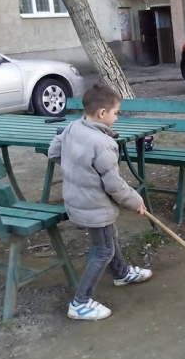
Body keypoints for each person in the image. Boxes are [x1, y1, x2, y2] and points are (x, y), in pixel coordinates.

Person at [48, 84, 152, 321]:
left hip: (76, 199)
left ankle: (122, 273)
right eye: (116, 112)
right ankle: (80, 302)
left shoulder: (73, 127)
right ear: (102, 113)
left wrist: (78, 171)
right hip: (95, 206)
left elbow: (54, 152)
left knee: (108, 239)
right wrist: (135, 200)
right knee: (103, 250)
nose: (117, 116)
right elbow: (114, 185)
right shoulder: (104, 143)